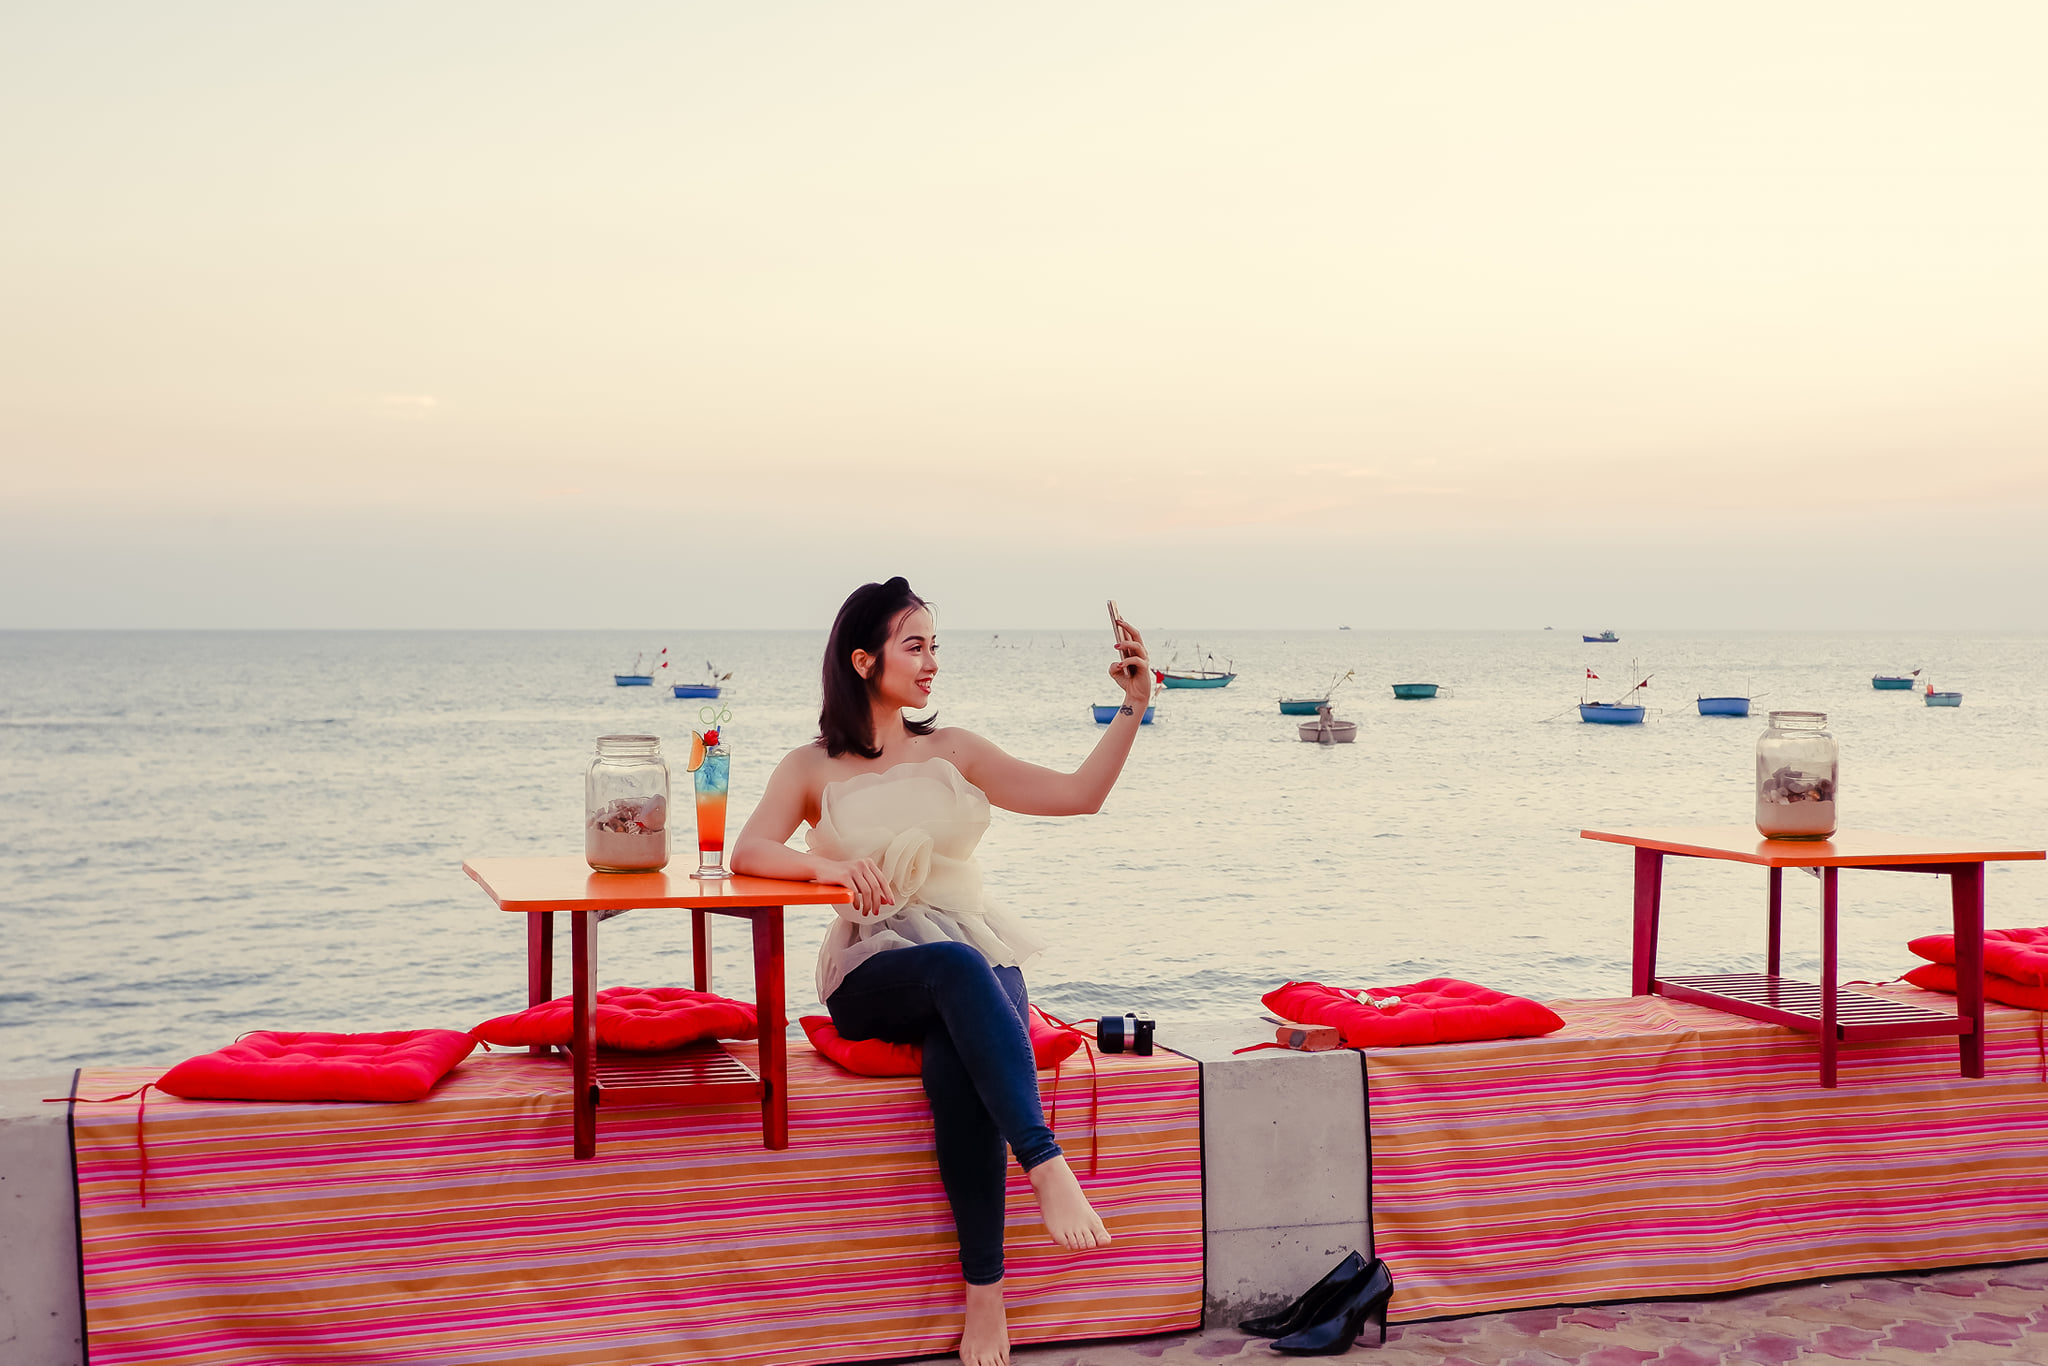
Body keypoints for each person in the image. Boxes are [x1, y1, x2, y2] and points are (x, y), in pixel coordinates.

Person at [731, 576, 1153, 1366]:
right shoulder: (811, 766)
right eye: (914, 646)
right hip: (872, 967)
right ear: (864, 660)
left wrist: (1136, 703)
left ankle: (985, 1298)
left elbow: (1079, 795)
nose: (931, 663)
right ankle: (1046, 1162)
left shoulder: (953, 749)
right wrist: (833, 871)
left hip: (970, 949)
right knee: (958, 971)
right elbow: (747, 853)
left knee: (961, 1053)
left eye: (935, 646)